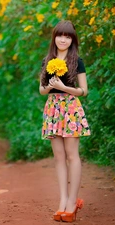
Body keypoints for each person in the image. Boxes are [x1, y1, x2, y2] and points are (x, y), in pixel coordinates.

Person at [39, 20, 91, 222]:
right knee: (59, 157)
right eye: (60, 35)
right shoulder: (47, 60)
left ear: (72, 40)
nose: (63, 39)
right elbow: (42, 90)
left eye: (68, 36)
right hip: (52, 108)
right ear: (54, 37)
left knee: (72, 155)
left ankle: (72, 203)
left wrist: (64, 87)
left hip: (70, 108)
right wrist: (51, 86)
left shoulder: (77, 61)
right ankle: (62, 201)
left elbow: (84, 91)